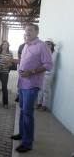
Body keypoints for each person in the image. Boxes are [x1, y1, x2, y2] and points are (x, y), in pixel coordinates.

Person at [11, 24, 52, 153]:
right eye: (26, 30)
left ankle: (27, 143)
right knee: (23, 111)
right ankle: (22, 134)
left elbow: (48, 64)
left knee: (28, 113)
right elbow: (23, 62)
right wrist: (12, 61)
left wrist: (32, 71)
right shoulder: (26, 46)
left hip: (31, 85)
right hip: (22, 84)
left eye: (30, 30)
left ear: (36, 32)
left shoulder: (42, 46)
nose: (27, 32)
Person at [0, 40, 13, 109]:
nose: (5, 46)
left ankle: (5, 103)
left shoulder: (10, 53)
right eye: (4, 44)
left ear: (8, 46)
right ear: (2, 45)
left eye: (6, 44)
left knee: (4, 87)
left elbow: (10, 63)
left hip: (5, 72)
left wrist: (2, 67)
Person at [37, 38, 56, 111]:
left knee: (45, 90)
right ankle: (39, 103)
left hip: (48, 74)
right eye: (46, 43)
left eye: (49, 44)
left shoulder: (54, 53)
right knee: (40, 89)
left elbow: (50, 63)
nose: (47, 45)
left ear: (52, 45)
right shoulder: (43, 52)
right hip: (41, 73)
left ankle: (44, 105)